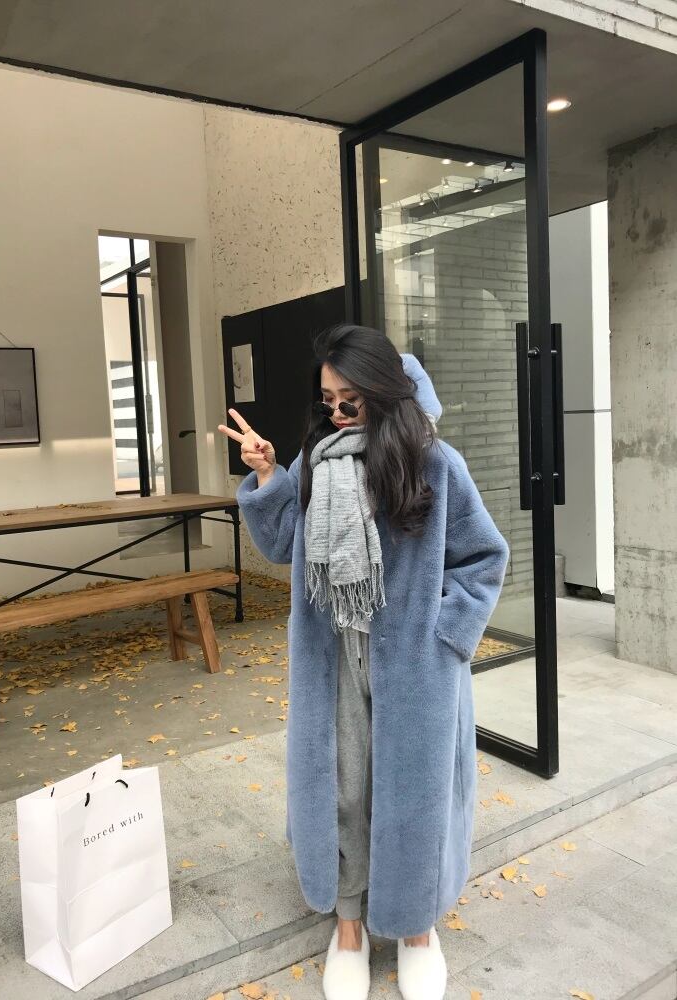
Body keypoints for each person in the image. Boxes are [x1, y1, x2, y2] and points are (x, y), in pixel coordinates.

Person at [218, 324, 510, 1000]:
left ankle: (415, 927)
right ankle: (348, 923)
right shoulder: (315, 461)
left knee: (411, 791)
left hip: (415, 664)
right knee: (345, 788)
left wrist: (444, 639)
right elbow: (283, 544)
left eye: (349, 399)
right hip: (334, 658)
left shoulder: (434, 463)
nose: (338, 412)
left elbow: (483, 558)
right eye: (328, 401)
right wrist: (267, 476)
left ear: (381, 391)